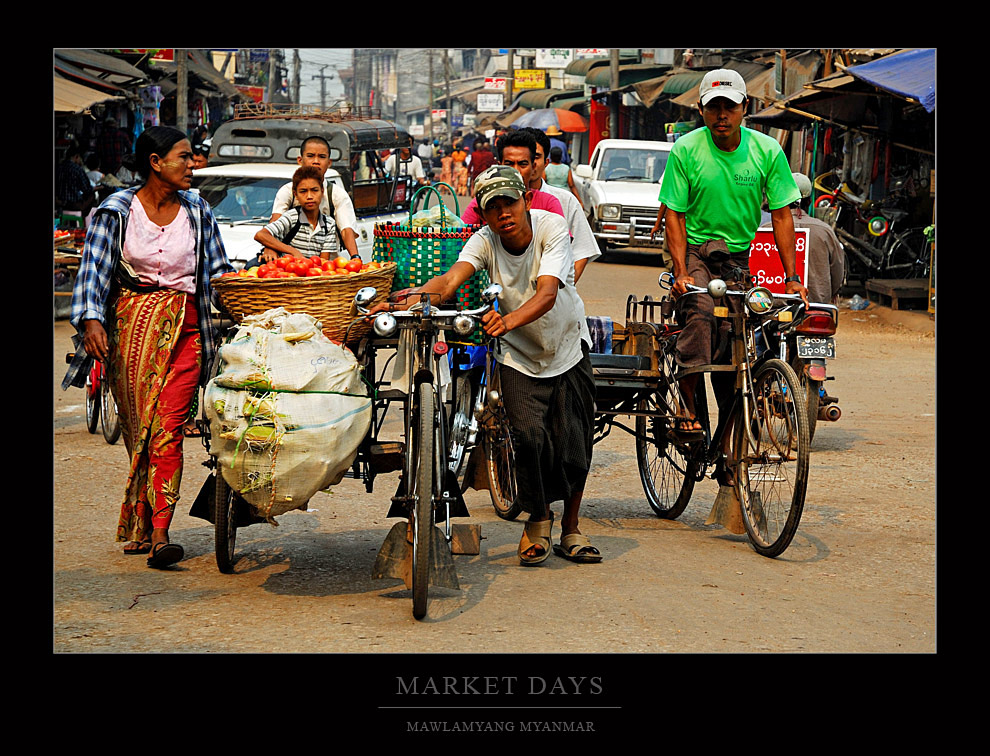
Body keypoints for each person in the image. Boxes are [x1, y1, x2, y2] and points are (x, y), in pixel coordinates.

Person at [370, 165, 600, 565]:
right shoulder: (484, 241)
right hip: (517, 353)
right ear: (484, 213)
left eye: (509, 202)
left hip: (565, 345)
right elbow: (448, 281)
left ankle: (572, 527)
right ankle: (539, 519)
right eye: (493, 207)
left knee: (573, 444)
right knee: (528, 438)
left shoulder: (552, 228)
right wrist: (403, 301)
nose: (503, 214)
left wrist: (506, 319)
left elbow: (547, 293)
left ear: (525, 200)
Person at [61, 125, 233, 568]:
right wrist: (92, 321)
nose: (193, 165)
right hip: (130, 334)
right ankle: (141, 518)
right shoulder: (115, 211)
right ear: (155, 163)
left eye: (192, 157)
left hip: (187, 333)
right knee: (140, 432)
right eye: (184, 157)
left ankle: (160, 531)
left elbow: (219, 274)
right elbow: (93, 271)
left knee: (168, 430)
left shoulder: (198, 211)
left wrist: (251, 303)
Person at [658, 68, 808, 451]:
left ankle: (728, 445)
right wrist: (679, 271)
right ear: (701, 110)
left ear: (745, 107)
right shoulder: (686, 149)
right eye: (714, 107)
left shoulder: (767, 151)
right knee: (702, 311)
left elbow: (780, 214)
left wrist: (792, 277)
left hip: (737, 257)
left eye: (730, 106)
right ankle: (686, 400)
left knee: (742, 333)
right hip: (693, 249)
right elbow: (673, 213)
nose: (721, 115)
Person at [269, 136, 363, 262]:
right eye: (310, 156)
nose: (316, 161)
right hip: (290, 262)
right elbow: (275, 220)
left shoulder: (337, 195)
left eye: (322, 157)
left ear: (329, 163)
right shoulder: (287, 191)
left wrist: (355, 257)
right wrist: (269, 247)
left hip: (325, 263)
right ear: (300, 160)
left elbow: (346, 230)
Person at [524, 128, 599, 283]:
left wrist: (564, 288)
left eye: (535, 157)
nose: (529, 163)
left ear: (546, 162)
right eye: (522, 158)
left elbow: (582, 251)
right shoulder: (496, 202)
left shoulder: (564, 201)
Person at [458, 129, 564, 226]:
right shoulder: (483, 200)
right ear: (499, 166)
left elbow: (562, 241)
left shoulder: (549, 203)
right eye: (509, 164)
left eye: (523, 164)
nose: (515, 171)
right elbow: (459, 235)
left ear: (533, 167)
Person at [253, 165, 338, 264]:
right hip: (287, 275)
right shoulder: (292, 217)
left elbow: (323, 262)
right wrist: (294, 252)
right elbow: (261, 235)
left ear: (322, 192)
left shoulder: (329, 224)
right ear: (295, 195)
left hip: (312, 275)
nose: (309, 196)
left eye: (314, 190)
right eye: (303, 191)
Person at [789, 172, 845, 304]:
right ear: (809, 201)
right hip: (817, 304)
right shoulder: (824, 230)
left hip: (772, 306)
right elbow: (837, 273)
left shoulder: (764, 229)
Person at [56, 145, 96, 215]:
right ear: (76, 157)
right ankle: (84, 217)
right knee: (91, 195)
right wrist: (98, 188)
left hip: (59, 203)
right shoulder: (77, 169)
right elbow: (86, 189)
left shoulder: (59, 167)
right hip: (73, 204)